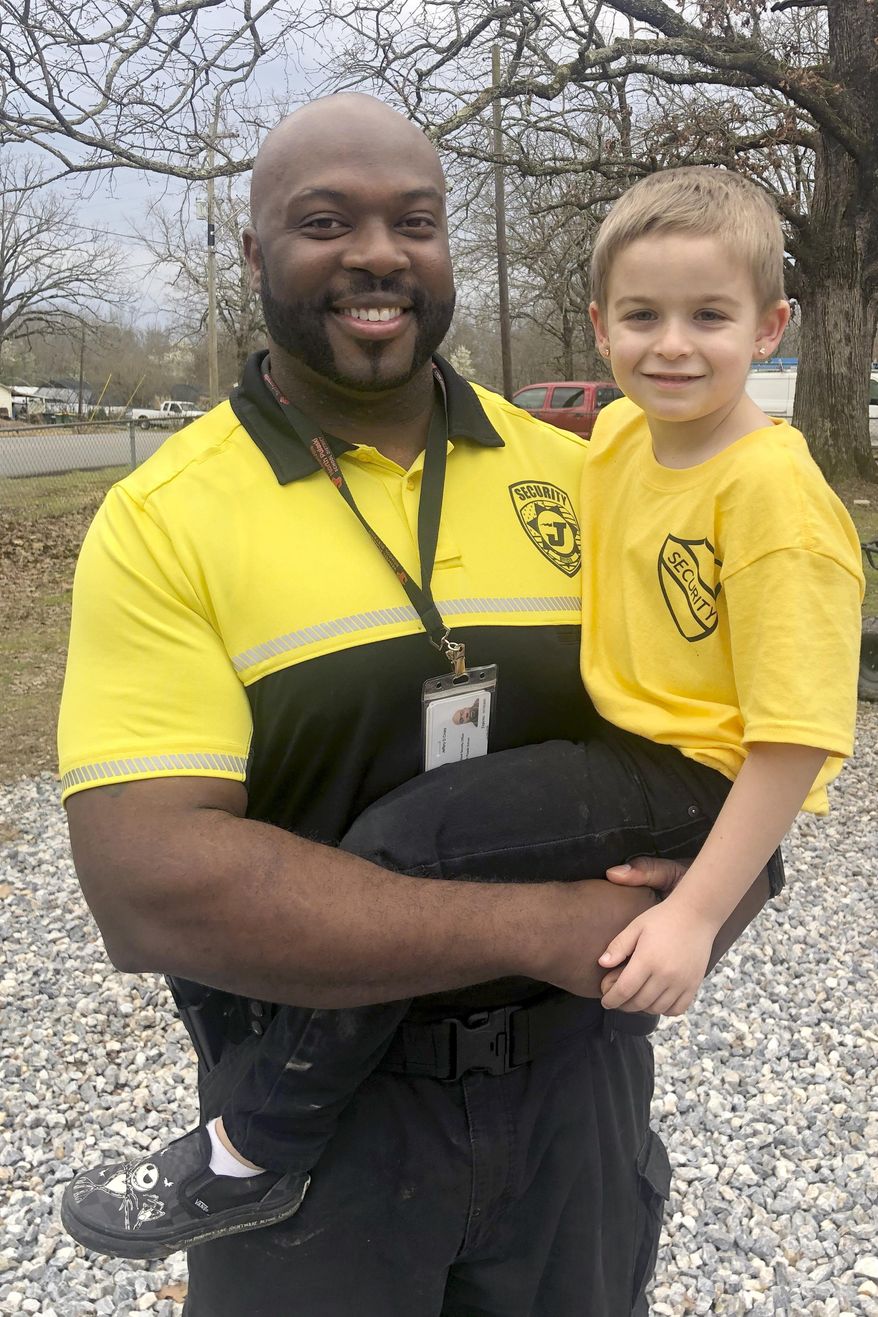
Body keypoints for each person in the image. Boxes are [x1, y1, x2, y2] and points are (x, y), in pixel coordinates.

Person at [58, 98, 774, 1316]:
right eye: (324, 221)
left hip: (575, 1101)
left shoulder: (588, 472)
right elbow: (150, 888)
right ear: (254, 256)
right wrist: (534, 930)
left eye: (416, 221)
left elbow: (709, 727)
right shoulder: (163, 520)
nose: (377, 253)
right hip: (317, 1134)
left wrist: (713, 899)